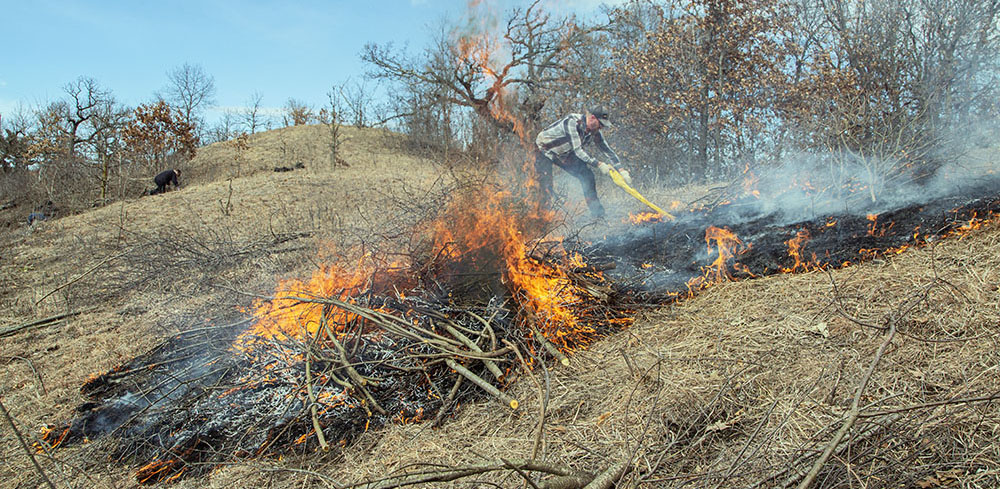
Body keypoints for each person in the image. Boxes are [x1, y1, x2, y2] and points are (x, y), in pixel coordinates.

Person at [534, 106, 631, 218]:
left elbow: (606, 149)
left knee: (587, 176)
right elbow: (578, 151)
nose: (601, 127)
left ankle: (598, 215)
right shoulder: (572, 122)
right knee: (545, 186)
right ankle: (542, 219)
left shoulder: (594, 130)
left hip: (565, 153)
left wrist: (622, 170)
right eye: (601, 124)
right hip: (543, 150)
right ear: (593, 118)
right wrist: (599, 164)